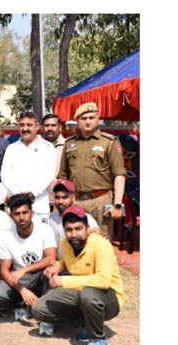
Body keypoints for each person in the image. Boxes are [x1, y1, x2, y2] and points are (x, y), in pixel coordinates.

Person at [32, 205, 126, 345]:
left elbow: (103, 281)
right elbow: (70, 261)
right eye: (69, 230)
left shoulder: (101, 244)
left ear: (88, 229)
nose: (74, 234)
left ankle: (98, 339)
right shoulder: (65, 243)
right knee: (38, 308)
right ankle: (86, 325)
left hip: (108, 297)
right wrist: (58, 265)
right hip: (80, 291)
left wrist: (63, 280)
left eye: (78, 228)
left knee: (87, 295)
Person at [57, 102, 126, 240]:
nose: (88, 122)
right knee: (75, 241)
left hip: (100, 202)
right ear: (77, 121)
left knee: (102, 243)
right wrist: (61, 202)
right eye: (83, 119)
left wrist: (118, 205)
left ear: (98, 118)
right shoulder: (70, 143)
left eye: (91, 117)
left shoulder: (110, 142)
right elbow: (63, 177)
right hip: (75, 201)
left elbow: (119, 175)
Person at [0, 193, 57, 325]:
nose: (22, 217)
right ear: (11, 216)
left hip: (40, 275)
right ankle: (22, 302)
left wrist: (24, 269)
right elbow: (4, 271)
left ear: (32, 213)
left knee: (52, 274)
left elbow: (51, 258)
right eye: (17, 213)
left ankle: (41, 306)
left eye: (25, 212)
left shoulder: (45, 230)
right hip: (20, 279)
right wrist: (22, 290)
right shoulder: (5, 235)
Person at [0, 111, 56, 216]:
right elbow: (5, 175)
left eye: (29, 125)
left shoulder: (47, 147)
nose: (25, 129)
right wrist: (19, 194)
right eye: (22, 125)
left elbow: (49, 175)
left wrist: (33, 193)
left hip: (39, 206)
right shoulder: (12, 148)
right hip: (16, 205)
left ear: (37, 126)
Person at [48, 179, 99, 255]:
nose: (60, 201)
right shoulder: (49, 218)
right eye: (57, 197)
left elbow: (96, 237)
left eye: (64, 197)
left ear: (73, 197)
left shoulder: (85, 217)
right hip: (57, 262)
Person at [42, 113, 67, 193]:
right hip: (40, 198)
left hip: (62, 199)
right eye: (46, 125)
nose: (50, 128)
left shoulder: (68, 146)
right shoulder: (36, 147)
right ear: (42, 128)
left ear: (60, 128)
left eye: (53, 125)